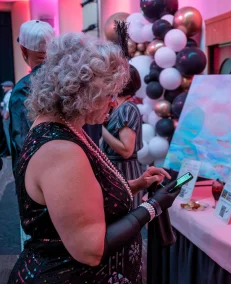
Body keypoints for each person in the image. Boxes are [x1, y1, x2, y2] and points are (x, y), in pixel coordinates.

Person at [8, 32, 180, 283]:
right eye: (108, 95)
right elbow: (90, 249)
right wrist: (152, 207)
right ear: (82, 94)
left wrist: (136, 184)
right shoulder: (59, 149)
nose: (112, 104)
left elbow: (82, 198)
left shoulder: (64, 128)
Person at [9, 20, 54, 173]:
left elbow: (23, 141)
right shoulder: (69, 82)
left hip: (36, 180)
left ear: (23, 49)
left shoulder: (24, 89)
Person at [102, 65, 144, 208]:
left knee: (127, 219)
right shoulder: (119, 107)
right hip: (117, 171)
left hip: (126, 172)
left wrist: (100, 129)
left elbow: (127, 150)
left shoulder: (127, 109)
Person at [1, 81, 13, 154]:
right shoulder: (8, 94)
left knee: (9, 135)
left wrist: (5, 116)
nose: (3, 88)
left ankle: (12, 153)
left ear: (9, 87)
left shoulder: (9, 95)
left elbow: (8, 107)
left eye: (4, 86)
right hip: (7, 118)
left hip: (7, 119)